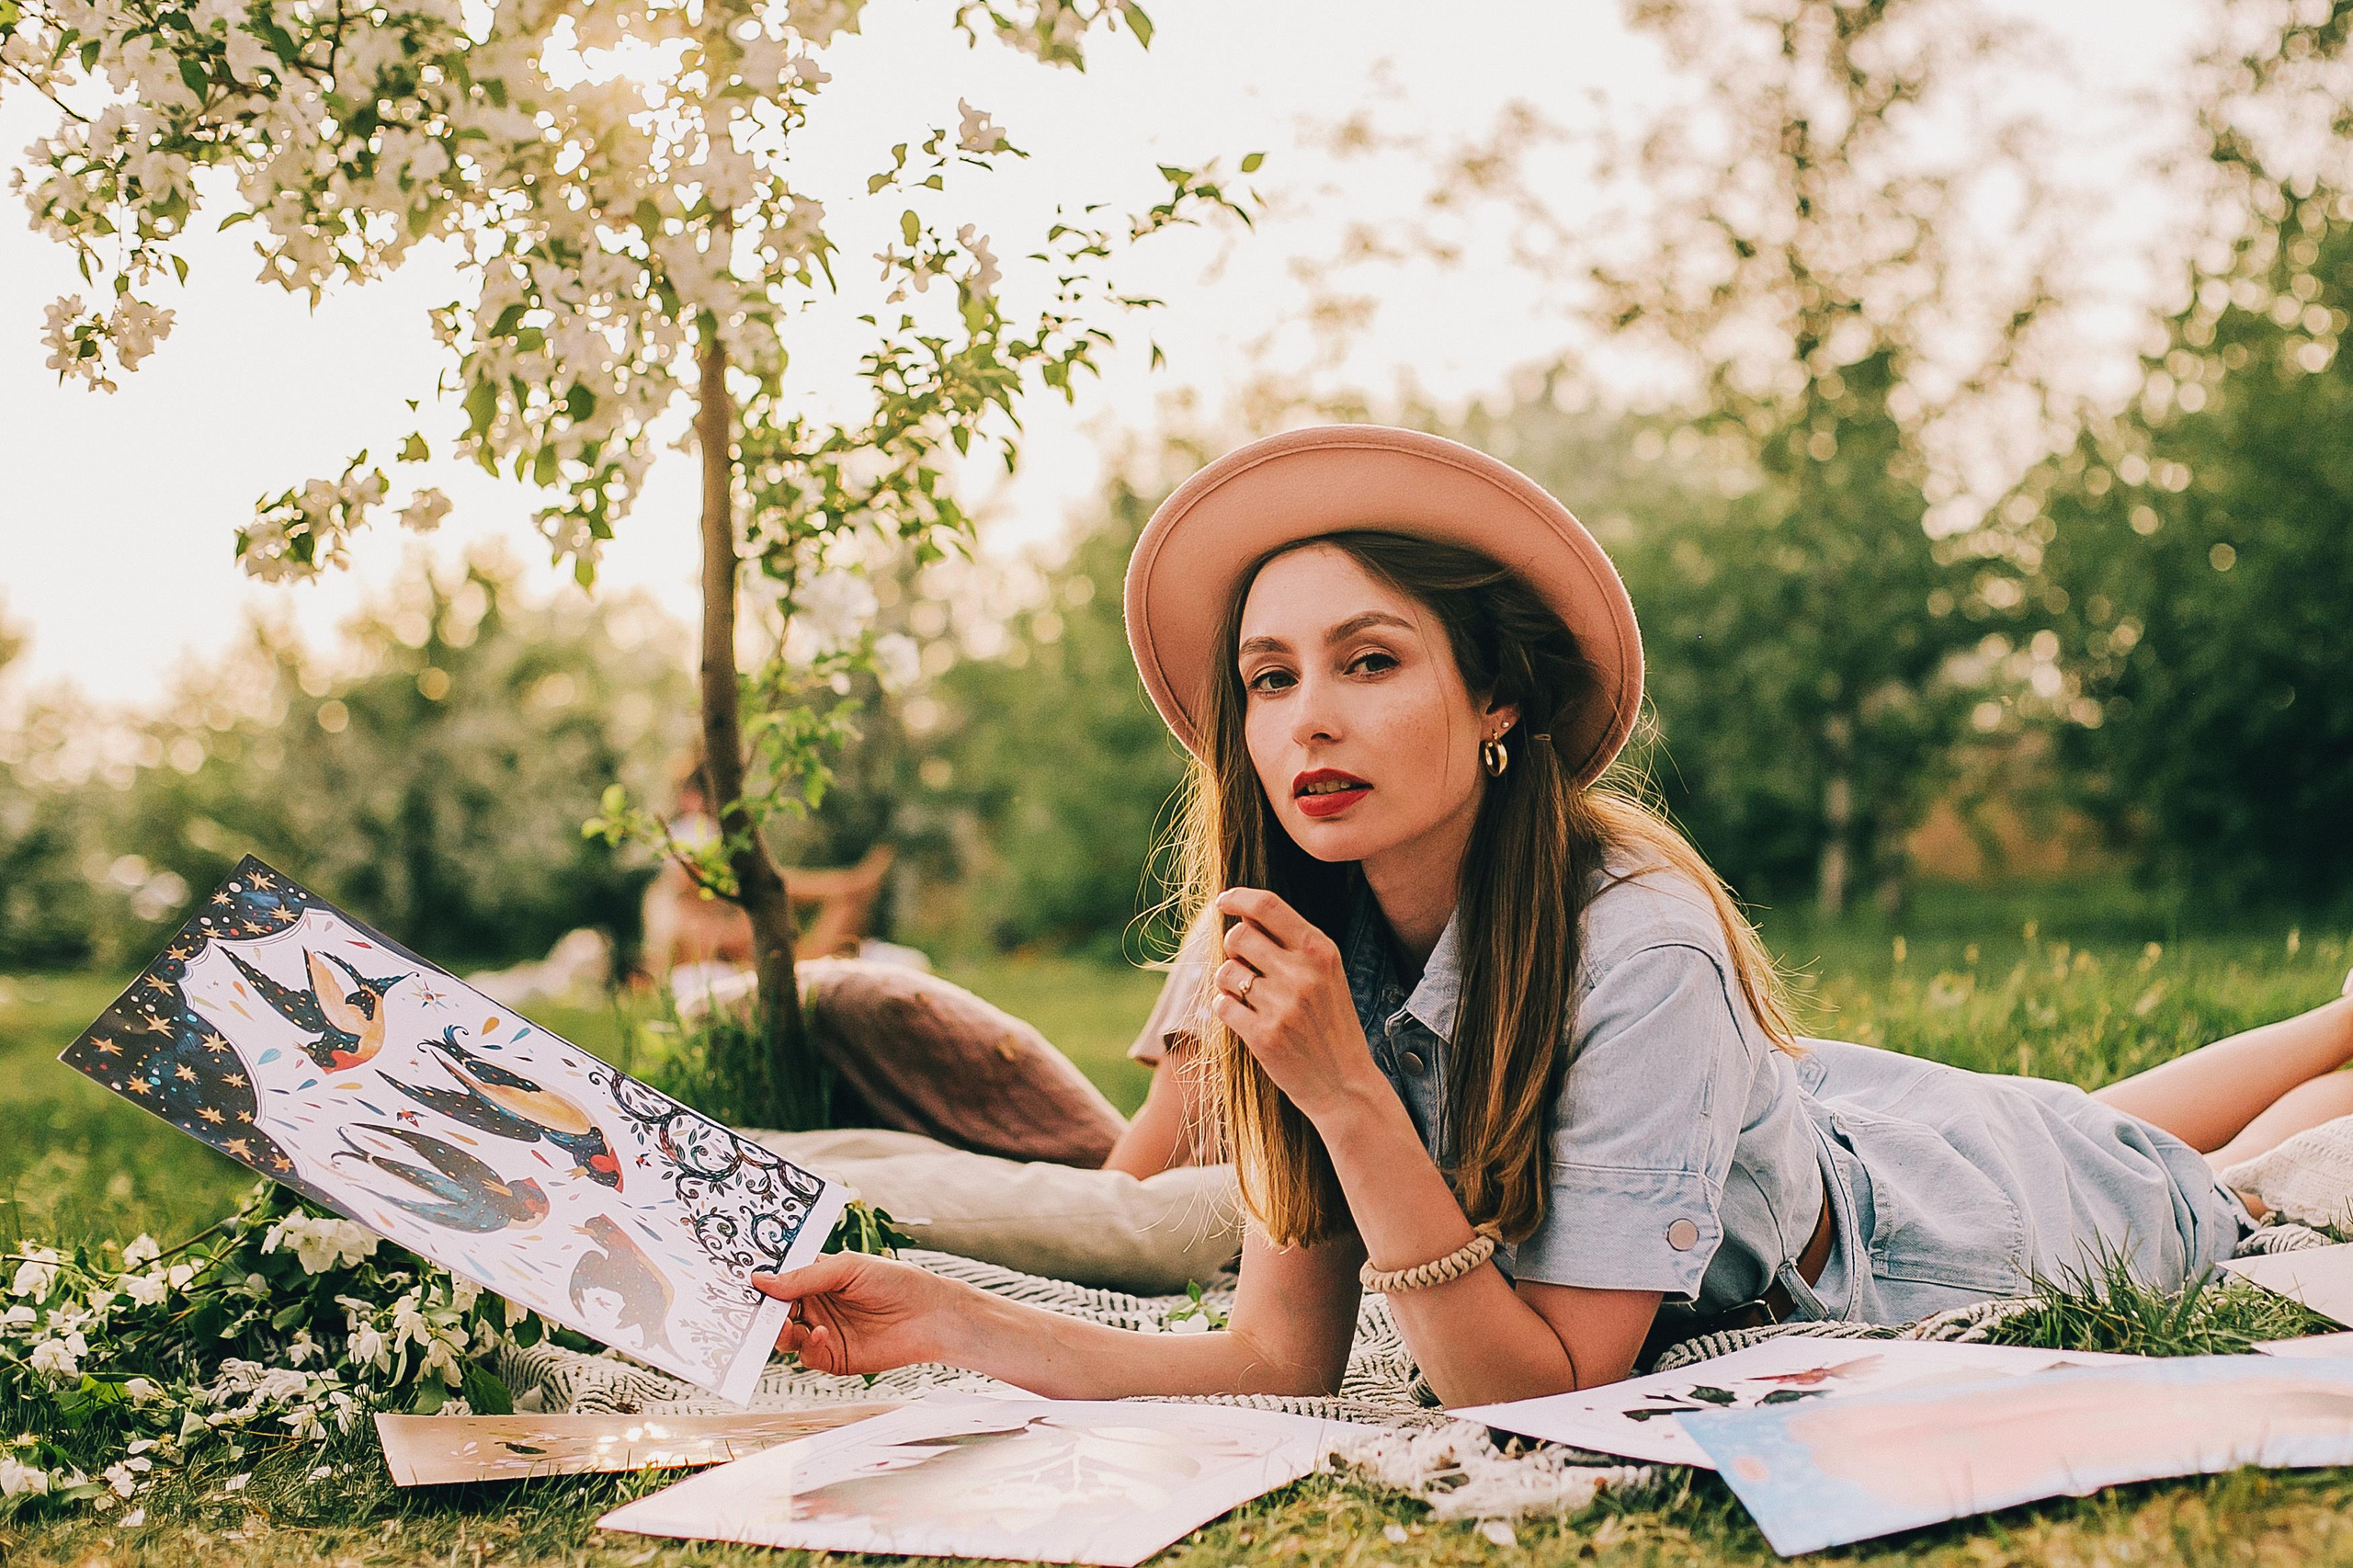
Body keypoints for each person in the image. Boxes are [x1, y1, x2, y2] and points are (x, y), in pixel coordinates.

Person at [751, 425, 2353, 1405]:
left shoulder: (1641, 942)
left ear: (1496, 692)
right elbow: (1272, 1362)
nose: (1308, 716)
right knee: (2086, 1108)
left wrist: (1349, 1095)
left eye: (1370, 661)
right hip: (1815, 1121)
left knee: (2193, 1177)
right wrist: (950, 1320)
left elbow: (1544, 1391)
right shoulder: (1309, 935)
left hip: (1916, 1234)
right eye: (1271, 677)